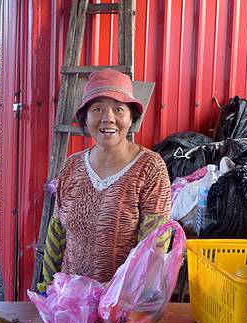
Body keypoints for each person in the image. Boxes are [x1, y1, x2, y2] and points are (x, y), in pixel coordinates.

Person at [39, 69, 171, 291]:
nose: (108, 117)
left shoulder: (150, 167)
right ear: (85, 119)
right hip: (71, 300)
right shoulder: (72, 166)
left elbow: (155, 245)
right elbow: (57, 232)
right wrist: (47, 288)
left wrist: (129, 300)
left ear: (131, 118)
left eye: (119, 109)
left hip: (121, 303)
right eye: (97, 109)